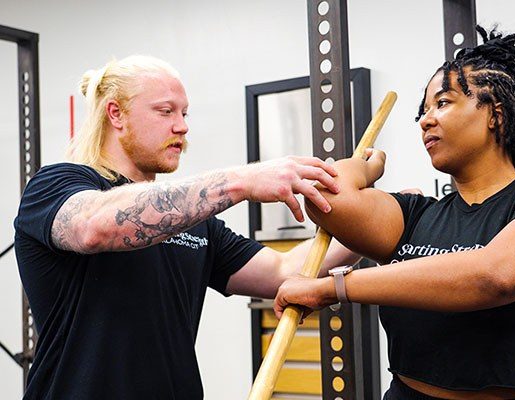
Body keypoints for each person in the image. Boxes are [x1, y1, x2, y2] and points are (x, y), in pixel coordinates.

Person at [13, 55, 363, 399]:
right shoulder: (56, 185)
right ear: (116, 114)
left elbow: (282, 270)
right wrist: (243, 180)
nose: (181, 126)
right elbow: (94, 227)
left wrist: (383, 222)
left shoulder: (195, 222)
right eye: (166, 112)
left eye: (184, 113)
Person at [274, 26, 515, 400]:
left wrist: (335, 288)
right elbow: (325, 198)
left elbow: (498, 276)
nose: (426, 120)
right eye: (423, 111)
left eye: (442, 103)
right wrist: (367, 168)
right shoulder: (415, 216)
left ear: (495, 114)